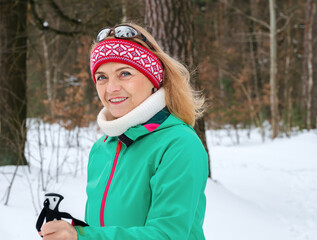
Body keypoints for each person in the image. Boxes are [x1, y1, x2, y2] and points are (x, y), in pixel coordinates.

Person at [39, 22, 209, 240]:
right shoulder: (103, 147)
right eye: (102, 77)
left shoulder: (179, 144)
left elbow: (168, 235)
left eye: (125, 73)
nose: (111, 88)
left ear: (153, 78)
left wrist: (82, 237)